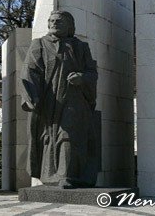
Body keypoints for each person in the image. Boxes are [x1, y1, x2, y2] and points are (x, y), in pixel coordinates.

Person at [21, 10, 99, 188]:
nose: (54, 23)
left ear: (70, 26)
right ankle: (51, 175)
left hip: (74, 98)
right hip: (50, 101)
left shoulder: (81, 47)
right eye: (51, 20)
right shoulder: (39, 44)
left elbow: (92, 73)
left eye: (59, 21)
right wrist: (31, 96)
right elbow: (29, 71)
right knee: (49, 137)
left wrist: (82, 78)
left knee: (67, 134)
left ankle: (66, 175)